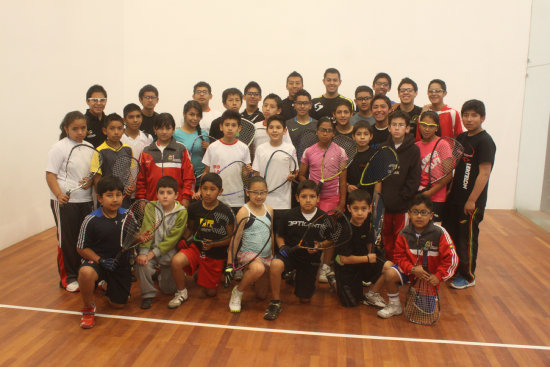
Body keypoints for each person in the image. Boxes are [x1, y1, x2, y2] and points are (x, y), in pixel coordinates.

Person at [376, 195, 458, 319]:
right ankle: (394, 305)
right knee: (390, 273)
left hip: (429, 277)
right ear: (409, 214)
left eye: (424, 212)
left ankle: (419, 291)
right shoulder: (404, 233)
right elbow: (398, 257)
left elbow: (452, 259)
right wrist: (413, 269)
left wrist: (439, 276)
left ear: (431, 215)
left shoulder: (440, 233)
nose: (419, 216)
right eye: (415, 212)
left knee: (426, 311)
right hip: (410, 271)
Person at [443, 99, 496, 289]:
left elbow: (484, 173)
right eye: (466, 115)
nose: (469, 119)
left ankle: (468, 276)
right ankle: (455, 269)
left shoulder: (485, 141)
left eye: (474, 115)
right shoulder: (462, 137)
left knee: (467, 239)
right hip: (455, 198)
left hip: (471, 201)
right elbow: (457, 167)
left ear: (482, 118)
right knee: (453, 235)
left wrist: (472, 200)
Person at [169, 173, 235, 307]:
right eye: (204, 188)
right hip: (196, 248)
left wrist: (214, 244)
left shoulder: (225, 211)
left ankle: (202, 273)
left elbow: (231, 238)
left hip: (215, 254)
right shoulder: (194, 208)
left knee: (210, 293)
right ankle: (181, 292)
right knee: (176, 261)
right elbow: (190, 228)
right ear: (200, 189)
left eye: (212, 189)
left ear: (220, 191)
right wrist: (182, 239)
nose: (208, 193)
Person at [46, 111, 94, 292]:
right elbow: (50, 174)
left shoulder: (89, 147)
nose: (80, 132)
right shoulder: (59, 148)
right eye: (75, 129)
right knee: (67, 240)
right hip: (65, 202)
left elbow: (91, 174)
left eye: (83, 128)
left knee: (84, 240)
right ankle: (68, 278)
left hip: (86, 200)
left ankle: (84, 273)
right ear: (66, 128)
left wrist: (89, 181)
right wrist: (59, 194)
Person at [264, 180, 326, 320]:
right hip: (290, 255)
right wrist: (282, 247)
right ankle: (275, 302)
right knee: (275, 264)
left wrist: (320, 246)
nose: (308, 200)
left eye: (312, 196)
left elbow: (329, 240)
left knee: (304, 300)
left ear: (318, 198)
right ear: (297, 198)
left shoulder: (324, 218)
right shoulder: (288, 215)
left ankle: (294, 276)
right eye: (304, 196)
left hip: (310, 260)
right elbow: (279, 236)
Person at [76, 176, 131, 328]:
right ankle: (88, 309)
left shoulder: (128, 215)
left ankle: (103, 285)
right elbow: (81, 248)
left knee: (118, 305)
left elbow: (132, 239)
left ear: (123, 196)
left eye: (118, 195)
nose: (115, 199)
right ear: (100, 198)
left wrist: (141, 237)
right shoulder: (90, 219)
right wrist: (100, 260)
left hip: (119, 264)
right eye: (109, 195)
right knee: (86, 273)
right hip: (98, 262)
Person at [136, 176, 187, 309]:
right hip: (151, 251)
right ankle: (147, 295)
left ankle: (162, 274)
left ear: (176, 195)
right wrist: (143, 253)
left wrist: (153, 253)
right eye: (161, 192)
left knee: (168, 290)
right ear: (157, 194)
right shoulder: (151, 207)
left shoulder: (182, 212)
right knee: (142, 263)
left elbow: (172, 239)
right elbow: (146, 230)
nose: (165, 196)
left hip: (169, 254)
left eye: (169, 193)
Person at [334, 190, 388, 307]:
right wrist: (367, 258)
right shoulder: (344, 229)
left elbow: (369, 244)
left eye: (363, 209)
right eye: (356, 208)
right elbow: (344, 259)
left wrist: (371, 255)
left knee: (389, 268)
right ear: (349, 208)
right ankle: (334, 281)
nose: (359, 213)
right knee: (351, 303)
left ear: (369, 208)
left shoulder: (368, 224)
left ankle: (372, 294)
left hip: (362, 262)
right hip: (346, 268)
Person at [228, 176, 274, 312]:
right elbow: (235, 238)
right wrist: (230, 263)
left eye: (262, 192)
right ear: (247, 192)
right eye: (255, 192)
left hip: (266, 256)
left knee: (262, 295)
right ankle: (238, 291)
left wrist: (273, 255)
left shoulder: (270, 210)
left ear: (267, 192)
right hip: (249, 254)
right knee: (257, 269)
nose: (259, 196)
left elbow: (271, 233)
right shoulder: (243, 211)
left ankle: (253, 277)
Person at [381, 110, 421, 262]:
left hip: (402, 206)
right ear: (389, 128)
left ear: (408, 128)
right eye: (394, 125)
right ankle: (389, 266)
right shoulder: (383, 148)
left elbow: (414, 178)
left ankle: (401, 268)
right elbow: (379, 177)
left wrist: (403, 198)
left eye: (401, 125)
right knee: (386, 238)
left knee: (401, 238)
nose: (397, 128)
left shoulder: (414, 150)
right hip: (385, 205)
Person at [136, 113, 195, 209]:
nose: (164, 132)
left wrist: (186, 197)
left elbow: (189, 177)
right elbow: (140, 180)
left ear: (173, 130)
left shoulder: (181, 149)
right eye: (160, 128)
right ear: (155, 129)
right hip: (152, 203)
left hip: (177, 204)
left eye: (168, 128)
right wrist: (142, 199)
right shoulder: (146, 151)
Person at [202, 110, 251, 211]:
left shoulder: (244, 148)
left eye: (233, 125)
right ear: (221, 127)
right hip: (215, 199)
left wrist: (248, 171)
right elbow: (206, 172)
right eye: (227, 124)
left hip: (237, 199)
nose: (230, 128)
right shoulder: (212, 147)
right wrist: (200, 191)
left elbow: (245, 176)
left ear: (239, 128)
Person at [252, 115, 298, 219]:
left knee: (280, 233)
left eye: (278, 127)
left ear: (285, 130)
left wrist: (292, 176)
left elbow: (295, 172)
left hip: (284, 202)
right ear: (267, 131)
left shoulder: (290, 148)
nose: (274, 130)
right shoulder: (260, 149)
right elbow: (256, 174)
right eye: (271, 127)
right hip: (263, 200)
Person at [415, 111, 450, 223]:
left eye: (431, 126)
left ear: (437, 128)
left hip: (436, 198)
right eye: (424, 125)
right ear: (419, 125)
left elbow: (449, 175)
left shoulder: (443, 144)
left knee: (433, 232)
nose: (426, 129)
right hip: (419, 196)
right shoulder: (416, 146)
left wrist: (430, 192)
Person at [93, 113, 133, 188]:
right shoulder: (99, 151)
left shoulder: (128, 149)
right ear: (105, 131)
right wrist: (100, 195)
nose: (116, 132)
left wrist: (131, 186)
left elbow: (129, 172)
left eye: (119, 128)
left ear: (123, 131)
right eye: (112, 128)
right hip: (106, 195)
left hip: (124, 196)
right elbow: (97, 177)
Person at [174, 100, 209, 182]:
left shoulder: (204, 134)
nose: (195, 118)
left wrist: (209, 148)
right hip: (183, 179)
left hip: (202, 180)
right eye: (192, 114)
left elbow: (209, 159)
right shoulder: (175, 134)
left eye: (198, 115)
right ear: (184, 114)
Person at [346, 121, 379, 198]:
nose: (362, 137)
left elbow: (378, 182)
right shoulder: (347, 154)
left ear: (371, 136)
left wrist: (375, 201)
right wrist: (347, 186)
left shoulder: (375, 155)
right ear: (353, 136)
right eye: (358, 134)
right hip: (351, 198)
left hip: (368, 198)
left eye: (366, 134)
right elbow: (342, 177)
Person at [285, 89, 318, 161]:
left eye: (305, 103)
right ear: (295, 105)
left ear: (310, 105)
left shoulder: (318, 125)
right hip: (292, 165)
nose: (302, 106)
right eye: (299, 103)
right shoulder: (287, 125)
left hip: (312, 166)